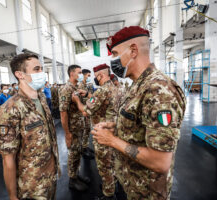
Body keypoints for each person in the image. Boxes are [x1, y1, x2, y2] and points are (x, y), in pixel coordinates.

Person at [91, 26, 186, 200]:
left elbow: (160, 162)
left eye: (115, 53)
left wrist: (111, 140)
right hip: (134, 184)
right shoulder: (139, 85)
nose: (113, 61)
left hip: (148, 191)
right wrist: (115, 126)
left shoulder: (159, 90)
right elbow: (138, 123)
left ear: (133, 51)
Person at [0, 53, 60, 200]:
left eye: (41, 69)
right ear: (20, 74)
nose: (41, 73)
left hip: (50, 176)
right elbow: (8, 159)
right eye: (36, 69)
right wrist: (12, 196)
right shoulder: (10, 109)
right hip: (31, 186)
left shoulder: (42, 99)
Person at [72, 64, 118, 200]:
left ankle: (108, 195)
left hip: (103, 133)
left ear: (100, 76)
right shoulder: (116, 88)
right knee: (112, 162)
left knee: (104, 165)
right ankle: (111, 185)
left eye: (95, 76)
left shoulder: (101, 91)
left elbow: (86, 111)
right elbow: (101, 101)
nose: (94, 79)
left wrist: (77, 101)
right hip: (115, 131)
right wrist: (87, 94)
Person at [59, 64, 90, 191]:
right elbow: (63, 112)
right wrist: (67, 133)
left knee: (77, 152)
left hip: (79, 126)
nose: (81, 74)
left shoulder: (77, 88)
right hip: (72, 128)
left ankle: (76, 174)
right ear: (72, 73)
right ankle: (72, 180)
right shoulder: (66, 89)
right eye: (79, 72)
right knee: (73, 153)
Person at [78, 69, 94, 159]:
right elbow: (79, 100)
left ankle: (85, 146)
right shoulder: (80, 85)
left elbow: (90, 96)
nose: (89, 77)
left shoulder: (86, 85)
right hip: (83, 111)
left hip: (87, 109)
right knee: (85, 129)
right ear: (84, 75)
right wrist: (82, 111)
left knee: (87, 129)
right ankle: (83, 148)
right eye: (88, 75)